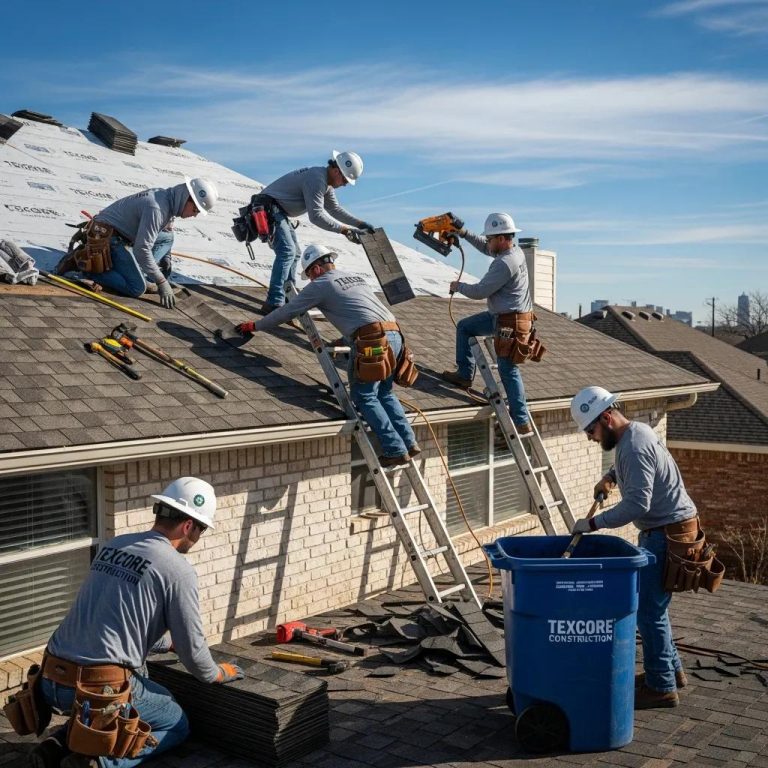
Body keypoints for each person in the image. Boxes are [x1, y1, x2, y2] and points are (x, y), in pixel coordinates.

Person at [28, 477, 243, 768]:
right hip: (94, 689)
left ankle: (54, 746)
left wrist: (167, 644)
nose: (199, 536)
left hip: (50, 680)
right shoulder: (178, 570)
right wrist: (217, 673)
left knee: (142, 678)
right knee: (175, 722)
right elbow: (193, 653)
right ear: (188, 525)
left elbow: (116, 624)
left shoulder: (115, 545)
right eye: (202, 529)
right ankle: (99, 762)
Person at [569, 386, 697, 709]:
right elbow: (629, 468)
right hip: (667, 530)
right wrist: (610, 477)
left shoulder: (635, 446)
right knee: (655, 610)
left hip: (667, 535)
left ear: (606, 418)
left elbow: (637, 504)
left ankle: (661, 687)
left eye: (590, 431)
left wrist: (592, 524)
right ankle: (670, 672)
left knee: (648, 613)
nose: (590, 438)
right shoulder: (634, 433)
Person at [236, 244, 418, 467]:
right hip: (395, 338)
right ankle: (409, 442)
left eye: (310, 275)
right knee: (385, 393)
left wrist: (256, 325)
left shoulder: (321, 284)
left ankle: (395, 449)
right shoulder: (354, 278)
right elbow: (362, 314)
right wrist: (345, 341)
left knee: (364, 396)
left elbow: (287, 311)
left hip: (373, 342)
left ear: (316, 269)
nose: (311, 280)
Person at [55, 178, 218, 309]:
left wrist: (166, 258)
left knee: (167, 237)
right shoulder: (157, 209)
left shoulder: (167, 198)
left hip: (122, 234)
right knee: (136, 287)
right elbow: (142, 249)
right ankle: (84, 266)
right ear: (186, 198)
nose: (194, 215)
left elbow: (165, 234)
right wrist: (161, 281)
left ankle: (139, 270)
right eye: (195, 210)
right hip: (107, 237)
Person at [441, 212, 533, 434]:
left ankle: (521, 420)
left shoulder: (505, 263)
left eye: (490, 238)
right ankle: (464, 376)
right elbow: (485, 248)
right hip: (504, 317)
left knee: (507, 369)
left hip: (510, 323)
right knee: (465, 327)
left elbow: (480, 292)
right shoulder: (512, 251)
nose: (487, 242)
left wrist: (458, 286)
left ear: (501, 239)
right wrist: (463, 232)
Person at [254, 151, 376, 313]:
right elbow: (316, 216)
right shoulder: (317, 179)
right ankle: (274, 302)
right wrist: (345, 230)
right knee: (287, 251)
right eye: (345, 180)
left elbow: (334, 209)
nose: (345, 184)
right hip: (269, 208)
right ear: (337, 171)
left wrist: (359, 224)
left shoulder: (325, 183)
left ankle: (288, 295)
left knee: (295, 253)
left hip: (278, 211)